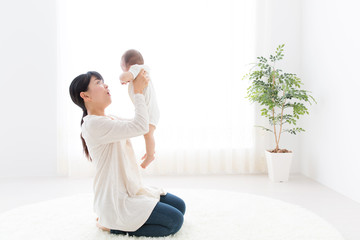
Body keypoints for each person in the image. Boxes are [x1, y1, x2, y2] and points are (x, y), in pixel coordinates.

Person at [69, 70, 185, 237]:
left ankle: (123, 219)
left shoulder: (109, 119)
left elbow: (142, 124)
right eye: (98, 83)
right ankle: (111, 226)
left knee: (180, 206)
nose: (105, 84)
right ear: (85, 96)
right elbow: (140, 126)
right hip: (116, 201)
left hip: (130, 190)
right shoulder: (93, 125)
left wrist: (141, 90)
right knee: (174, 221)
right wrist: (137, 92)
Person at [120, 49, 159, 169]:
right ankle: (150, 153)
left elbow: (125, 76)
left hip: (149, 111)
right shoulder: (141, 71)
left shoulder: (137, 68)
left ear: (127, 65)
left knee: (148, 133)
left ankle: (150, 156)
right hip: (151, 109)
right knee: (148, 133)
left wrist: (123, 77)